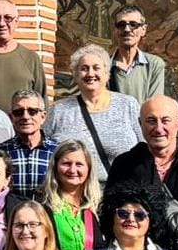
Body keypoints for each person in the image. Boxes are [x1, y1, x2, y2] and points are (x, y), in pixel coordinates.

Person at [106, 95, 178, 231]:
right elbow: (110, 215)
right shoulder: (124, 164)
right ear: (140, 123)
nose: (158, 128)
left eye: (165, 121)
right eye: (151, 121)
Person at [43, 44, 143, 187]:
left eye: (96, 68)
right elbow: (44, 151)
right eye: (84, 69)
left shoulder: (128, 105)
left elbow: (145, 149)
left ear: (107, 73)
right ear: (75, 75)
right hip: (74, 193)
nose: (90, 74)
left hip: (122, 192)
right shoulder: (59, 110)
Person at [0, 89, 58, 199]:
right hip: (11, 210)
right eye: (18, 112)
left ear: (43, 117)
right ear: (11, 118)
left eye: (32, 111)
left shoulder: (58, 152)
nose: (25, 117)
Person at [108, 5, 166, 103]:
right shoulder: (104, 66)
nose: (127, 29)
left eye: (133, 24)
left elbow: (155, 104)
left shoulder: (154, 64)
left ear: (143, 30)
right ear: (115, 30)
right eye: (121, 24)